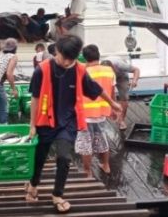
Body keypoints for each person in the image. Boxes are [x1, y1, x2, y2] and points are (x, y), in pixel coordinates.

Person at [24, 35, 118, 213]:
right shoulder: (42, 70)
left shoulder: (80, 70)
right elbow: (35, 98)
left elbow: (96, 89)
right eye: (63, 57)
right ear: (56, 51)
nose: (67, 62)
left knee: (64, 158)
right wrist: (32, 125)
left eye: (71, 59)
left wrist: (112, 103)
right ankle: (33, 182)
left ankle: (57, 194)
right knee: (40, 157)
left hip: (68, 121)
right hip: (45, 120)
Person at [77, 45, 121, 178]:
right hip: (102, 113)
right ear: (98, 55)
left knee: (86, 143)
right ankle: (105, 165)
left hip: (85, 114)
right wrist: (114, 108)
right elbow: (112, 92)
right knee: (101, 138)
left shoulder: (82, 71)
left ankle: (87, 171)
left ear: (85, 58)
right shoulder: (109, 70)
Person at [101, 57, 140, 131]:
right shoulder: (100, 68)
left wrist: (135, 80)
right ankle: (106, 117)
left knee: (124, 97)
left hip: (121, 77)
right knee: (106, 95)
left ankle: (121, 120)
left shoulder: (120, 65)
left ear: (113, 68)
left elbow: (136, 69)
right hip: (108, 78)